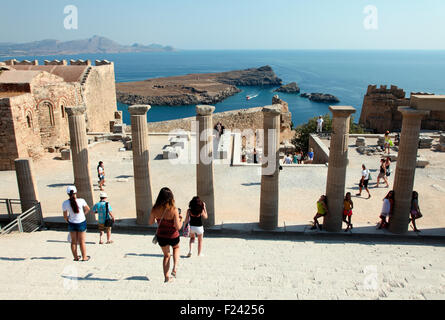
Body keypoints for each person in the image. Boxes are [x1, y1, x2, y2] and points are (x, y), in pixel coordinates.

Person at [148, 187, 184, 283]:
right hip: (173, 235)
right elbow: (178, 227)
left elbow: (150, 222)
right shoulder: (174, 210)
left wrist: (159, 220)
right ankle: (175, 268)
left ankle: (166, 277)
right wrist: (181, 220)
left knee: (166, 255)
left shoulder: (155, 209)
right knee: (176, 248)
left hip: (161, 236)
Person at [62, 186, 91, 261]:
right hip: (81, 222)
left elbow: (65, 216)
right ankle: (84, 257)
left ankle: (75, 257)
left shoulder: (65, 203)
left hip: (72, 223)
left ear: (67, 194)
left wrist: (68, 220)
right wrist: (83, 215)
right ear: (76, 192)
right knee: (82, 242)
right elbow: (88, 209)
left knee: (73, 242)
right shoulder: (81, 200)